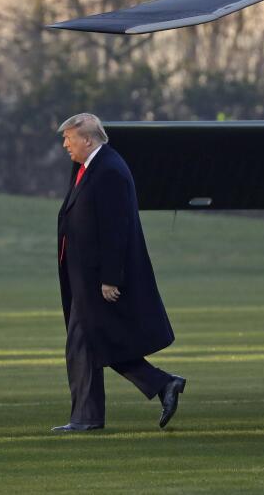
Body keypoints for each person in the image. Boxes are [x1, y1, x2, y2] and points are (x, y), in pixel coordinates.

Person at [53, 112, 184, 432]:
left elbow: (116, 228)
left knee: (85, 344)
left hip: (98, 278)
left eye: (69, 139)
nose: (65, 145)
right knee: (98, 341)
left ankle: (87, 418)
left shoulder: (109, 170)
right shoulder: (87, 166)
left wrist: (110, 277)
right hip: (82, 276)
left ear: (87, 139)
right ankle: (161, 384)